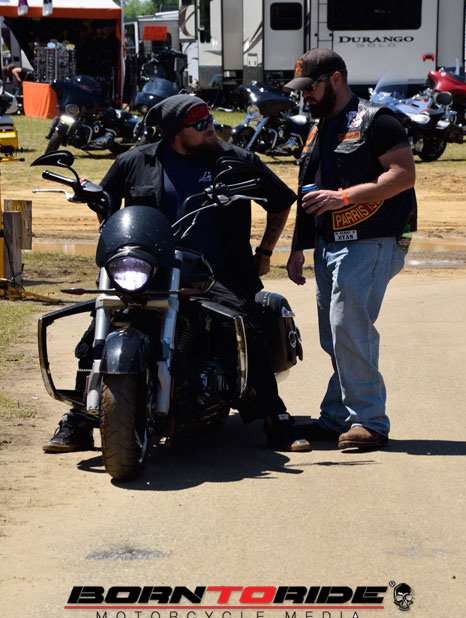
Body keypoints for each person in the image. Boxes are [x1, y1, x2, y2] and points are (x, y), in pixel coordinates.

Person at [42, 94, 310, 454]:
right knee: (98, 331)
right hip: (152, 270)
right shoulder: (135, 161)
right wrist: (104, 216)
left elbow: (281, 201)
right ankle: (81, 417)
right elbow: (106, 202)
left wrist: (264, 252)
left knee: (247, 328)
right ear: (174, 133)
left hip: (217, 273)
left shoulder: (236, 161)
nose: (210, 128)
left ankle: (274, 417)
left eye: (209, 119)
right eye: (199, 124)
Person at [283, 49, 417, 450]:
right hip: (329, 244)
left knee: (349, 329)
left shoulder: (378, 120)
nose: (305, 96)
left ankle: (370, 421)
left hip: (371, 239)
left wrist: (343, 197)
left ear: (336, 80)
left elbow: (403, 175)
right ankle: (337, 418)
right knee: (334, 336)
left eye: (311, 88)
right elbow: (309, 192)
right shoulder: (318, 127)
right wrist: (298, 248)